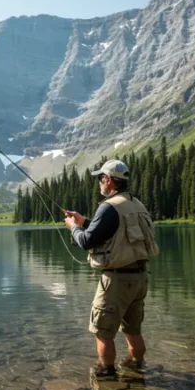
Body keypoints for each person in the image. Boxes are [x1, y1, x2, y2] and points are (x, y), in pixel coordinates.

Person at [64, 159, 159, 378]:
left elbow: (87, 242)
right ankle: (136, 364)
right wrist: (85, 221)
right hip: (140, 278)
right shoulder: (135, 203)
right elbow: (112, 230)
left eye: (100, 178)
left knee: (103, 331)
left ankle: (106, 372)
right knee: (133, 328)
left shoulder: (108, 207)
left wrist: (73, 228)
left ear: (108, 180)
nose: (99, 183)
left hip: (117, 281)